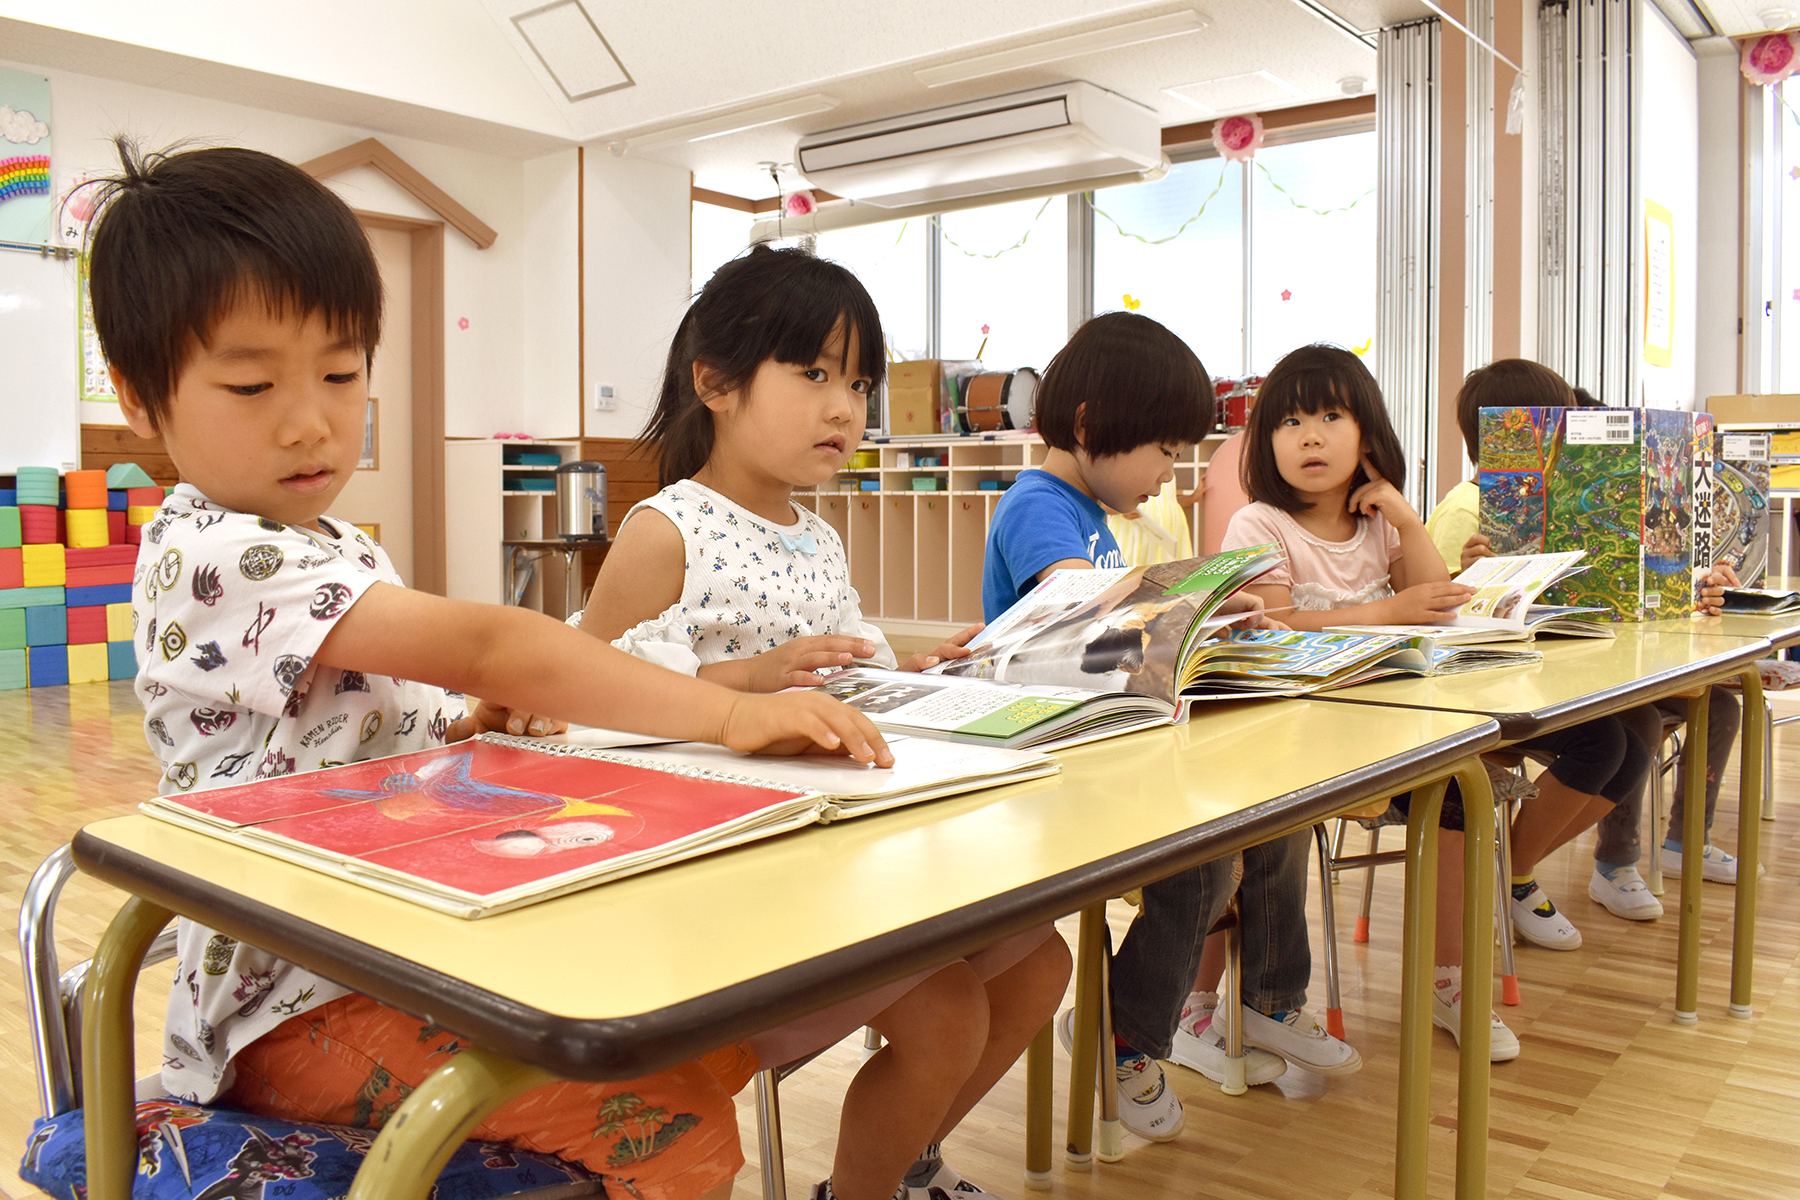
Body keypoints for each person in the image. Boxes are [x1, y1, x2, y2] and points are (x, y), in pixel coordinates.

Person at [90, 139, 892, 1200]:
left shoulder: (333, 542)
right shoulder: (217, 554)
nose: (310, 419)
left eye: (341, 373)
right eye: (250, 383)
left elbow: (359, 735)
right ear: (139, 398)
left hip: (398, 940)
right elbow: (491, 643)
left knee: (680, 1040)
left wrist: (462, 729)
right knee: (677, 1124)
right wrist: (728, 715)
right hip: (297, 1005)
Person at [572, 244, 1072, 1200]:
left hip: (840, 844)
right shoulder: (667, 530)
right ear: (715, 384)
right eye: (814, 374)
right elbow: (583, 699)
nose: (845, 407)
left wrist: (922, 673)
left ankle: (908, 1162)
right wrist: (747, 683)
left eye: (859, 383)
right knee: (945, 1011)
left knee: (1039, 964)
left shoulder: (818, 537)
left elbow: (850, 660)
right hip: (728, 878)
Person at [1226, 346, 1645, 1062]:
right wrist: (1389, 611)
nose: (1311, 437)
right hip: (1302, 738)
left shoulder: (1379, 523)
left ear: (1368, 434)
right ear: (1266, 441)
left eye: (1331, 417)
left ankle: (1448, 981)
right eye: (1290, 422)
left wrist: (1408, 521)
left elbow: (1438, 606)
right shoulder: (1260, 524)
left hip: (1396, 724)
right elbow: (1278, 624)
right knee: (1459, 788)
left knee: (1461, 790)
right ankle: (1290, 998)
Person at [981, 311, 1339, 1144]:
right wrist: (1192, 603)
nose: (1166, 473)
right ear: (1089, 426)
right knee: (1199, 863)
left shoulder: (1092, 512)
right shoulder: (1038, 505)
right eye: (1163, 451)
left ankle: (1261, 1000)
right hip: (1053, 770)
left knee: (1267, 813)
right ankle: (1123, 1036)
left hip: (1113, 746)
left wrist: (1213, 619)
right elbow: (1085, 611)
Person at [1437, 361, 1755, 911]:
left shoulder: (1568, 502)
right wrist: (1473, 577)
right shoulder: (1465, 509)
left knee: (1675, 715)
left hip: (1580, 667)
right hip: (1509, 685)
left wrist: (1696, 586)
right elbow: (1438, 611)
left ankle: (1517, 871)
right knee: (1619, 733)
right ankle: (1521, 875)